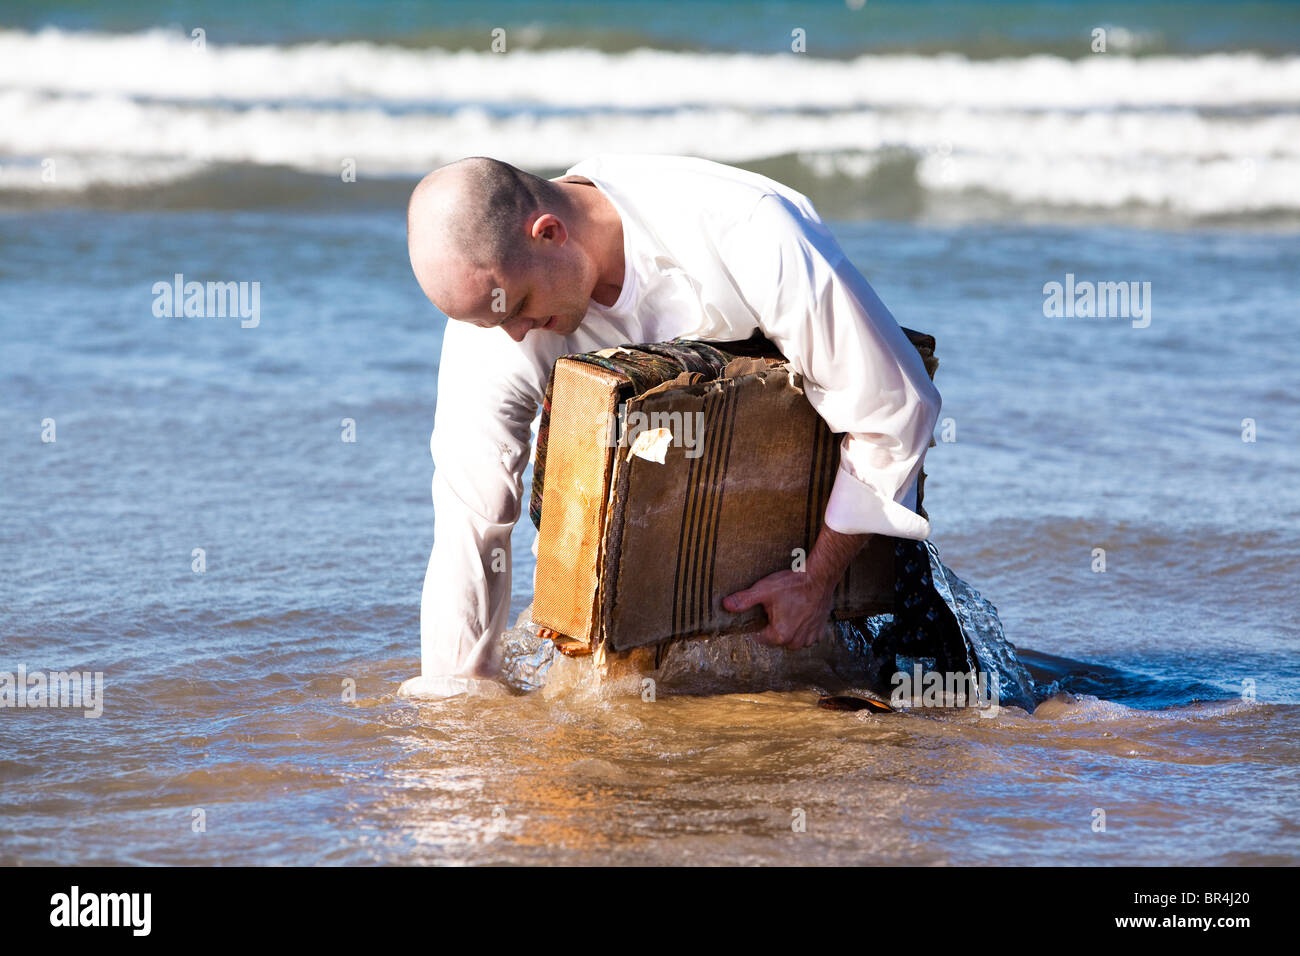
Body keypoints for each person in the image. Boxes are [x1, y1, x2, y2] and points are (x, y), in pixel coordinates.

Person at [401, 153, 951, 698]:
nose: (514, 335)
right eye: (493, 320)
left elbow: (896, 406)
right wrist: (459, 709)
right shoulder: (496, 316)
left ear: (549, 232)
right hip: (653, 580)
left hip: (821, 543)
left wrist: (818, 579)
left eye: (518, 308)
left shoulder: (748, 228)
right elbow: (469, 522)